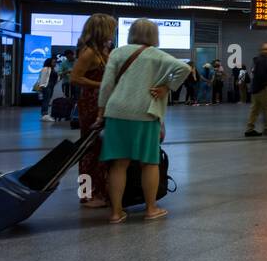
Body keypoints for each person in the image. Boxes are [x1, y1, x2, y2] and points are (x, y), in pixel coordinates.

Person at [97, 18, 191, 223]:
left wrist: (100, 112)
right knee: (149, 163)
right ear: (154, 35)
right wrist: (167, 86)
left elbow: (105, 86)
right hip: (145, 113)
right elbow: (184, 69)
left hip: (116, 112)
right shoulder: (157, 55)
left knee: (119, 165)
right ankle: (151, 209)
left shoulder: (117, 52)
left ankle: (116, 213)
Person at [71, 13, 116, 209]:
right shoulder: (89, 52)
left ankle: (99, 190)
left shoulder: (101, 51)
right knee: (89, 149)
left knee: (99, 149)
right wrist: (100, 83)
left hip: (100, 101)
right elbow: (75, 78)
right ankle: (86, 194)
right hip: (90, 103)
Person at [244, 43, 267, 136]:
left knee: (254, 110)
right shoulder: (263, 60)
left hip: (255, 89)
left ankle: (249, 129)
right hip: (263, 89)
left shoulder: (258, 60)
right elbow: (262, 75)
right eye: (266, 49)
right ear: (262, 50)